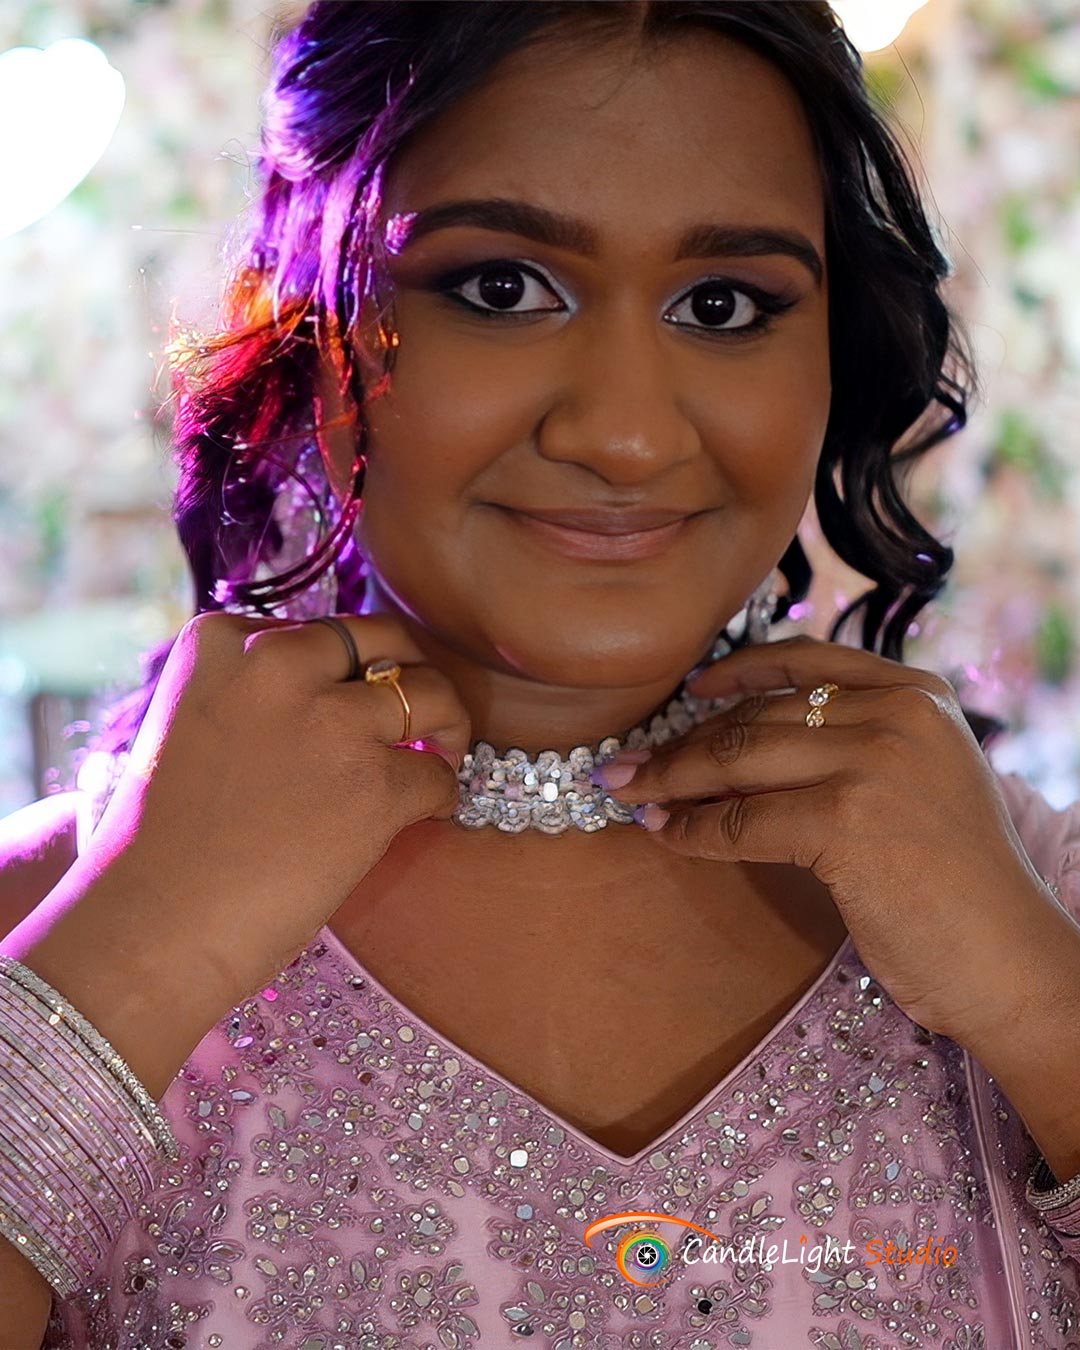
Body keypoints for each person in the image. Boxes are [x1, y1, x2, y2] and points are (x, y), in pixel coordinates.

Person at [0, 2, 1078, 1345]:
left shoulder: (1029, 893)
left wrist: (1041, 1002)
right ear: (303, 317)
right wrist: (132, 961)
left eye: (725, 304)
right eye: (502, 286)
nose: (625, 434)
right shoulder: (62, 920)